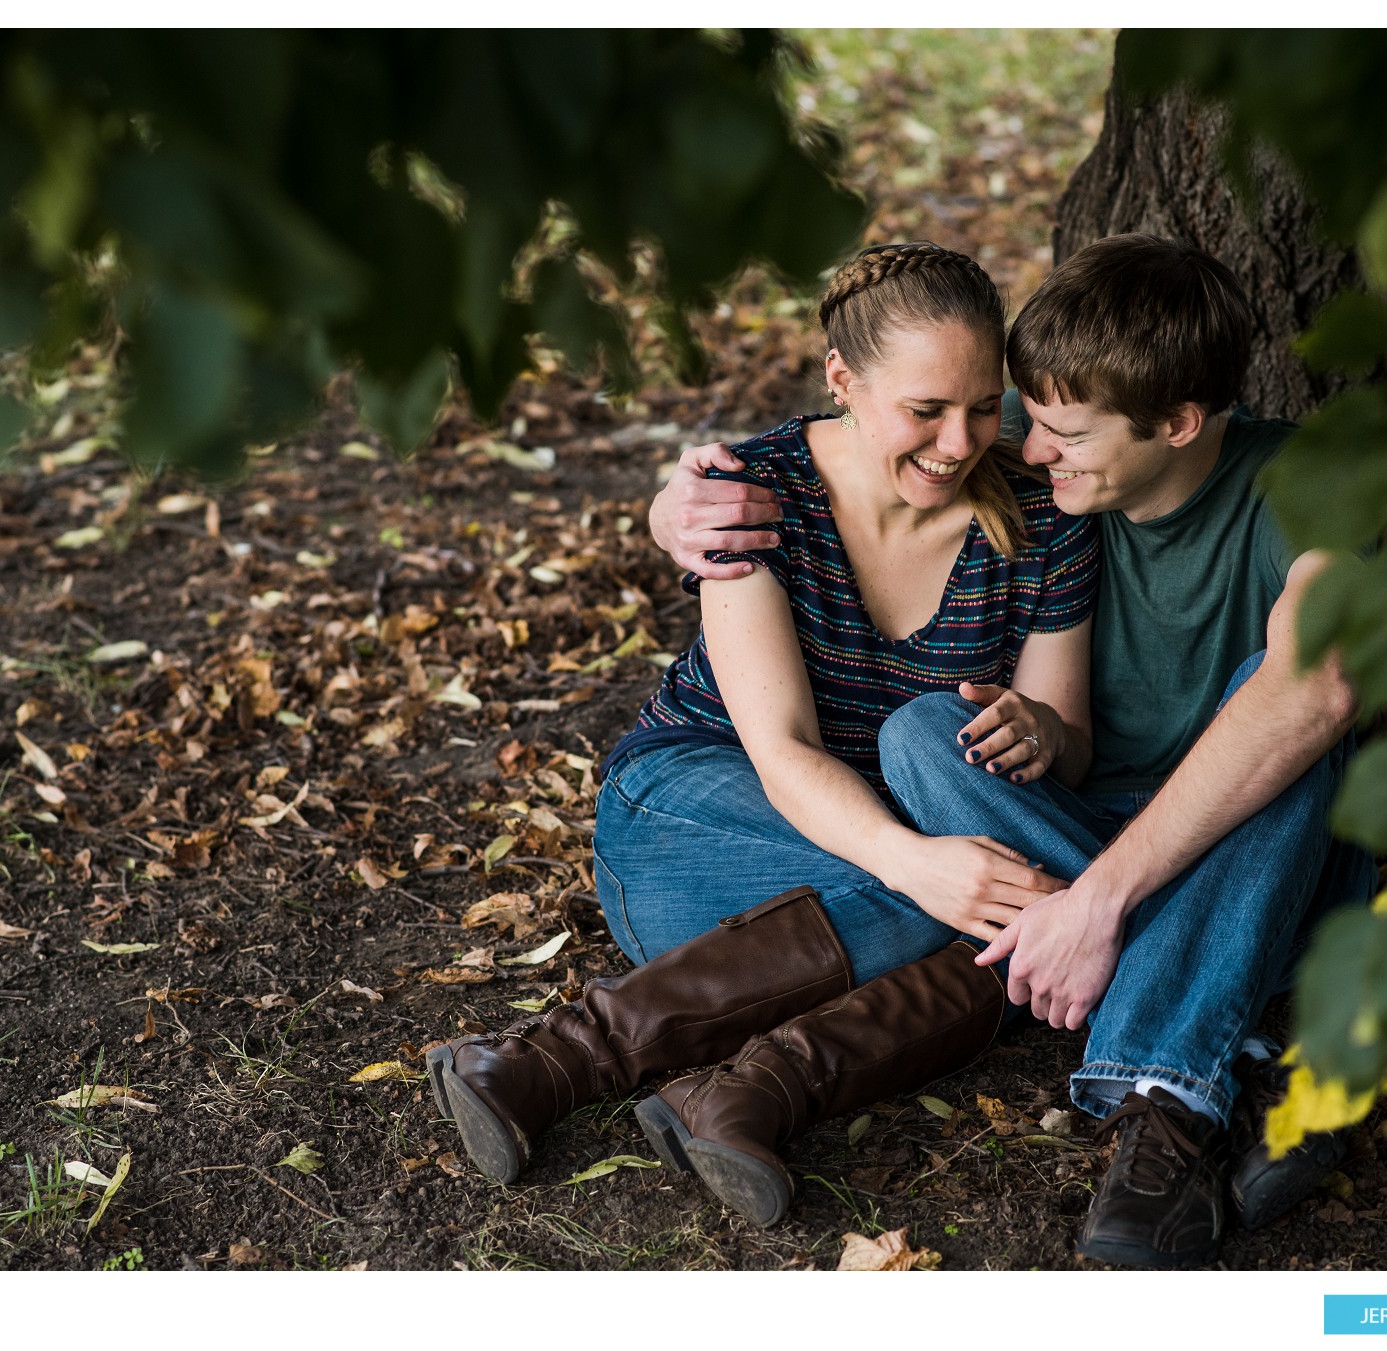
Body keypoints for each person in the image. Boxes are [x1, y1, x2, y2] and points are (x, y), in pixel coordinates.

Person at [649, 232, 1376, 1267]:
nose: (1023, 450)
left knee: (1290, 712)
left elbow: (1322, 683)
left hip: (1237, 832)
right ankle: (1251, 1008)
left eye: (1061, 432)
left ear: (1176, 423)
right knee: (923, 735)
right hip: (1066, 822)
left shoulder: (1309, 480)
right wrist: (674, 505)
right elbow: (846, 444)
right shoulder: (1041, 463)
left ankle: (1163, 1110)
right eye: (1023, 416)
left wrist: (1097, 904)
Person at [426, 243, 1100, 1225]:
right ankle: (568, 1056)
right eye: (925, 409)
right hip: (699, 823)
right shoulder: (753, 495)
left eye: (981, 405)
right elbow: (780, 749)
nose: (960, 442)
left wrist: (1041, 732)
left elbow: (1070, 747)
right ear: (843, 381)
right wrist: (922, 865)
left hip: (814, 913)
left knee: (1000, 913)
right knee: (1006, 911)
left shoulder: (1041, 519)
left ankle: (732, 1089)